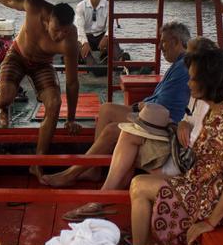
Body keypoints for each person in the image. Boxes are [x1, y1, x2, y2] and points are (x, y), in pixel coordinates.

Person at [59, 38, 216, 221]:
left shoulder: (217, 105)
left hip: (182, 159)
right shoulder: (197, 93)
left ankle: (97, 195)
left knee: (116, 133)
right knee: (127, 133)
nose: (188, 81)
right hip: (174, 141)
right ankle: (101, 197)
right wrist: (184, 124)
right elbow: (188, 116)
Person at [130, 43, 223, 245]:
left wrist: (209, 222)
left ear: (209, 81)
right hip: (206, 182)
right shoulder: (219, 106)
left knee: (139, 185)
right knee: (140, 181)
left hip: (218, 198)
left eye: (192, 79)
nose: (188, 84)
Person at [42, 22, 192, 188]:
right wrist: (139, 106)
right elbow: (161, 99)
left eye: (163, 42)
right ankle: (93, 169)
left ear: (177, 42)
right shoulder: (179, 64)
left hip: (163, 124)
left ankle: (71, 173)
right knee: (107, 109)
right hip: (155, 115)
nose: (159, 47)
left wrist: (138, 106)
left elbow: (163, 104)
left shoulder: (181, 68)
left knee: (111, 130)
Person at [0, 0, 81, 179]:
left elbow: (72, 82)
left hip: (42, 65)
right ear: (47, 20)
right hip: (18, 55)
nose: (60, 35)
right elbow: (10, 0)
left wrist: (71, 118)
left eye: (65, 31)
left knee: (54, 103)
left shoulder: (69, 41)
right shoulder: (34, 7)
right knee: (3, 97)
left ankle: (38, 162)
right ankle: (3, 110)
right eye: (57, 30)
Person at [74, 0, 122, 65]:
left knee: (113, 44)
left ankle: (118, 59)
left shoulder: (108, 5)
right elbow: (79, 27)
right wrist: (84, 42)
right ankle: (91, 62)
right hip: (86, 36)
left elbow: (111, 25)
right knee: (91, 64)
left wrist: (107, 37)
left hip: (101, 36)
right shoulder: (81, 6)